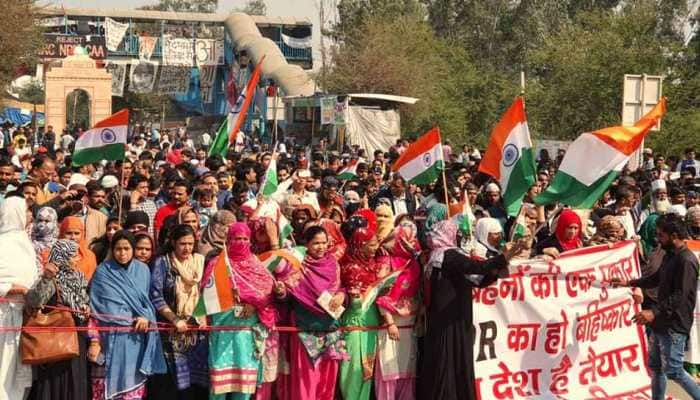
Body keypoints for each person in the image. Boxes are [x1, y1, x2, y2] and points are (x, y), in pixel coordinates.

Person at [419, 219, 524, 400]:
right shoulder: (449, 255)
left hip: (449, 318)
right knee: (450, 364)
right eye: (456, 232)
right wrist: (504, 258)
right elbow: (478, 268)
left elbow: (473, 279)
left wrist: (496, 270)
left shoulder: (437, 256)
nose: (459, 235)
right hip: (451, 320)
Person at [613, 214, 700, 400]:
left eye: (661, 235)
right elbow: (656, 278)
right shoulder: (669, 256)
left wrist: (653, 312)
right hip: (660, 322)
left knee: (674, 371)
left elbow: (680, 295)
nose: (657, 238)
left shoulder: (686, 260)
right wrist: (628, 282)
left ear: (674, 235)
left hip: (674, 325)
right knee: (656, 367)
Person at [89, 230, 167, 400]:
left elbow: (146, 304)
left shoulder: (143, 270)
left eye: (127, 248)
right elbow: (96, 309)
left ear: (133, 249)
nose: (122, 253)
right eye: (118, 249)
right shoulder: (102, 272)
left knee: (132, 392)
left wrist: (145, 317)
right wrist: (95, 342)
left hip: (134, 341)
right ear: (112, 249)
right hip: (107, 340)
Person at [275, 225, 348, 400]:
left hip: (331, 327)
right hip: (305, 327)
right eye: (316, 243)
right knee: (307, 378)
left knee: (327, 378)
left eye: (324, 243)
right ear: (306, 244)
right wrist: (280, 292)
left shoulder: (333, 264)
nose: (321, 247)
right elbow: (287, 296)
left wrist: (341, 295)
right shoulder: (297, 265)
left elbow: (341, 288)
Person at [205, 222, 275, 399]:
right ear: (228, 240)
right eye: (237, 239)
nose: (241, 242)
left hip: (246, 333)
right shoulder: (218, 264)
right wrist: (227, 293)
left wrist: (254, 305)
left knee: (243, 387)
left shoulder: (257, 265)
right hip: (223, 330)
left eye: (245, 239)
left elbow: (267, 293)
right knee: (219, 386)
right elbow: (207, 294)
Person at [26, 240, 90, 400]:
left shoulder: (80, 278)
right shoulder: (51, 279)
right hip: (56, 342)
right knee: (55, 386)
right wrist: (46, 278)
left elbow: (84, 301)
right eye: (73, 256)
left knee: (75, 383)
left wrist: (86, 308)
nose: (77, 259)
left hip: (77, 341)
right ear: (63, 258)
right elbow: (33, 301)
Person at [149, 224, 207, 398]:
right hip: (171, 331)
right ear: (174, 242)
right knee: (173, 384)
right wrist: (174, 319)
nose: (187, 248)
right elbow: (155, 295)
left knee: (196, 384)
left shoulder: (199, 262)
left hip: (197, 331)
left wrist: (204, 319)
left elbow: (207, 293)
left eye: (190, 243)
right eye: (182, 243)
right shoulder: (163, 263)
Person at [339, 209, 389, 400]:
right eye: (371, 244)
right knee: (354, 370)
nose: (375, 248)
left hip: (371, 322)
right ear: (360, 245)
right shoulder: (352, 268)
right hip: (355, 323)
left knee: (367, 369)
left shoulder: (371, 265)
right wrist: (357, 297)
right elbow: (354, 306)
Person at [374, 221, 421, 400]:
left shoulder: (414, 264)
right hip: (390, 322)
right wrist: (390, 322)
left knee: (406, 369)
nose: (410, 243)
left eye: (412, 238)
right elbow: (380, 292)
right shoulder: (386, 262)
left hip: (409, 323)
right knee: (389, 369)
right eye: (406, 239)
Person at [0, 197, 38, 399]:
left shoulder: (25, 242)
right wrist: (10, 288)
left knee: (15, 375)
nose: (29, 216)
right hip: (3, 316)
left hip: (22, 316)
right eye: (25, 211)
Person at [59, 216, 98, 280]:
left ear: (82, 234)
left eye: (77, 233)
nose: (73, 237)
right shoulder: (54, 255)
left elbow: (93, 281)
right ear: (62, 234)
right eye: (69, 233)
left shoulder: (90, 256)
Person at [31, 206, 59, 273]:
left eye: (47, 221)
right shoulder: (28, 240)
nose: (42, 224)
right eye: (40, 220)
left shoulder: (58, 246)